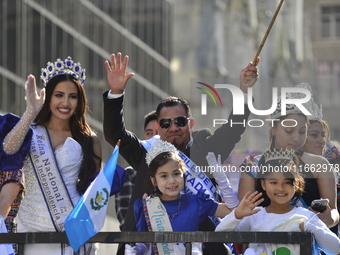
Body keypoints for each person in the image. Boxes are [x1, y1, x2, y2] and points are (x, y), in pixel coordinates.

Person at [103, 52, 259, 254]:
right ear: (158, 128)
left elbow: (233, 128)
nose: (173, 127)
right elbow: (115, 134)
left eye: (180, 121)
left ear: (191, 124)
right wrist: (116, 92)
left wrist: (244, 91)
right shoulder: (145, 153)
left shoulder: (207, 150)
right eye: (166, 123)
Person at [2, 57, 103, 255]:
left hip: (71, 236)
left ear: (80, 100)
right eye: (59, 95)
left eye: (72, 96)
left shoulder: (89, 140)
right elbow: (8, 149)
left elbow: (93, 191)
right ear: (48, 97)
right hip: (31, 236)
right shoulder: (30, 132)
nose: (65, 102)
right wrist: (30, 112)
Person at [238, 83, 339, 230]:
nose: (296, 139)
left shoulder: (320, 164)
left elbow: (333, 210)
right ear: (273, 128)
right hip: (265, 245)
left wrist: (329, 219)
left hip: (308, 245)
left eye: (302, 131)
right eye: (289, 131)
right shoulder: (253, 164)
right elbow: (243, 212)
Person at [216, 149, 340, 255]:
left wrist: (310, 228)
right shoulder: (255, 216)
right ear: (263, 184)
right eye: (273, 182)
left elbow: (335, 249)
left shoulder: (306, 217)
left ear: (296, 184)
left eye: (287, 182)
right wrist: (237, 215)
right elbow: (219, 235)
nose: (280, 188)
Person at [131, 140, 234, 255]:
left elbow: (231, 210)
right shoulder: (145, 206)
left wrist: (221, 179)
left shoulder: (197, 202)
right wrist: (137, 251)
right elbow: (145, 244)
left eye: (176, 174)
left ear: (183, 174)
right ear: (154, 180)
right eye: (164, 176)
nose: (172, 181)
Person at [115, 110, 158, 229]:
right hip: (138, 244)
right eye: (149, 133)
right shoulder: (131, 174)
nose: (154, 138)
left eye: (159, 133)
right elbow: (126, 220)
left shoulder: (178, 171)